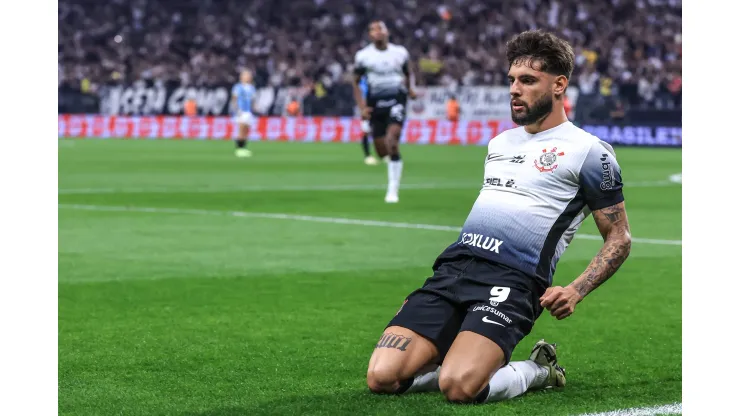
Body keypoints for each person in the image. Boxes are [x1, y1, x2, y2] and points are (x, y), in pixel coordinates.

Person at [365, 29, 632, 405]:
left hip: (513, 280)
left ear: (559, 85)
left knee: (459, 388)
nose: (514, 89)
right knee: (382, 377)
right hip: (454, 269)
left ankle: (539, 370)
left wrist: (576, 289)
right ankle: (460, 356)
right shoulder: (500, 143)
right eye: (511, 80)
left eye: (527, 80)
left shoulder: (590, 152)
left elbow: (619, 237)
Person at [353, 20, 416, 203]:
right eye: (373, 29)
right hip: (375, 102)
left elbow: (408, 72)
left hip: (397, 98)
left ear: (387, 32)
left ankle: (392, 190)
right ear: (369, 35)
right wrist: (362, 107)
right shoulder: (363, 56)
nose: (377, 32)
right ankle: (391, 159)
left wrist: (411, 89)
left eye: (380, 28)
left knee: (392, 141)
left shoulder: (400, 52)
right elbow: (355, 81)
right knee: (382, 151)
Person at [231, 70, 257, 158]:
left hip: (248, 112)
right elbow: (234, 99)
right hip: (241, 111)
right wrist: (237, 109)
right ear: (242, 77)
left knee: (246, 130)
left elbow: (253, 100)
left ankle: (244, 148)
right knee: (241, 130)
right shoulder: (238, 87)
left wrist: (254, 109)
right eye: (246, 75)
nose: (248, 77)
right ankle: (239, 149)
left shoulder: (251, 88)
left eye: (249, 75)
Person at [358, 75, 379, 166]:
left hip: (377, 106)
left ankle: (384, 153)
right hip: (366, 108)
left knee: (379, 130)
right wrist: (363, 108)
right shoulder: (363, 81)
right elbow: (362, 95)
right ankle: (367, 156)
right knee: (366, 130)